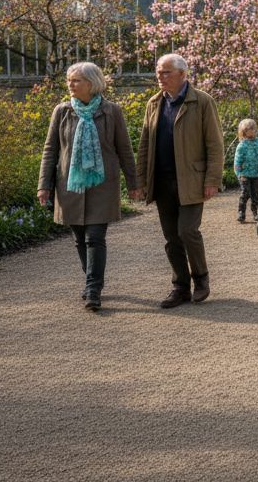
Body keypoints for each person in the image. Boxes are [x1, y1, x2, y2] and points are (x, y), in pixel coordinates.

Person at [38, 62, 139, 312]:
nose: (70, 85)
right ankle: (90, 280)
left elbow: (124, 149)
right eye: (69, 80)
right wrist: (44, 185)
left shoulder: (111, 111)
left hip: (102, 184)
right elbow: (50, 149)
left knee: (95, 237)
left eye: (76, 80)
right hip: (69, 185)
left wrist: (134, 183)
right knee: (79, 239)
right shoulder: (62, 111)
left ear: (92, 84)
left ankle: (93, 288)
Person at [133, 53, 224, 310]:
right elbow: (144, 144)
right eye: (158, 72)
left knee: (188, 231)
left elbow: (215, 145)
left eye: (165, 72)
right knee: (171, 237)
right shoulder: (154, 103)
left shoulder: (202, 101)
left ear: (183, 74)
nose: (159, 77)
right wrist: (140, 180)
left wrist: (212, 180)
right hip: (161, 180)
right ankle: (180, 286)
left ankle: (201, 279)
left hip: (191, 180)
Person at [233, 118, 258, 223]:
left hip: (257, 174)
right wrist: (239, 173)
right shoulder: (242, 145)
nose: (252, 130)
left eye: (253, 128)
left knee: (255, 194)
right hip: (245, 174)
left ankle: (256, 212)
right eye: (249, 129)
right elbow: (237, 161)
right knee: (245, 193)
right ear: (244, 132)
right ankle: (241, 212)